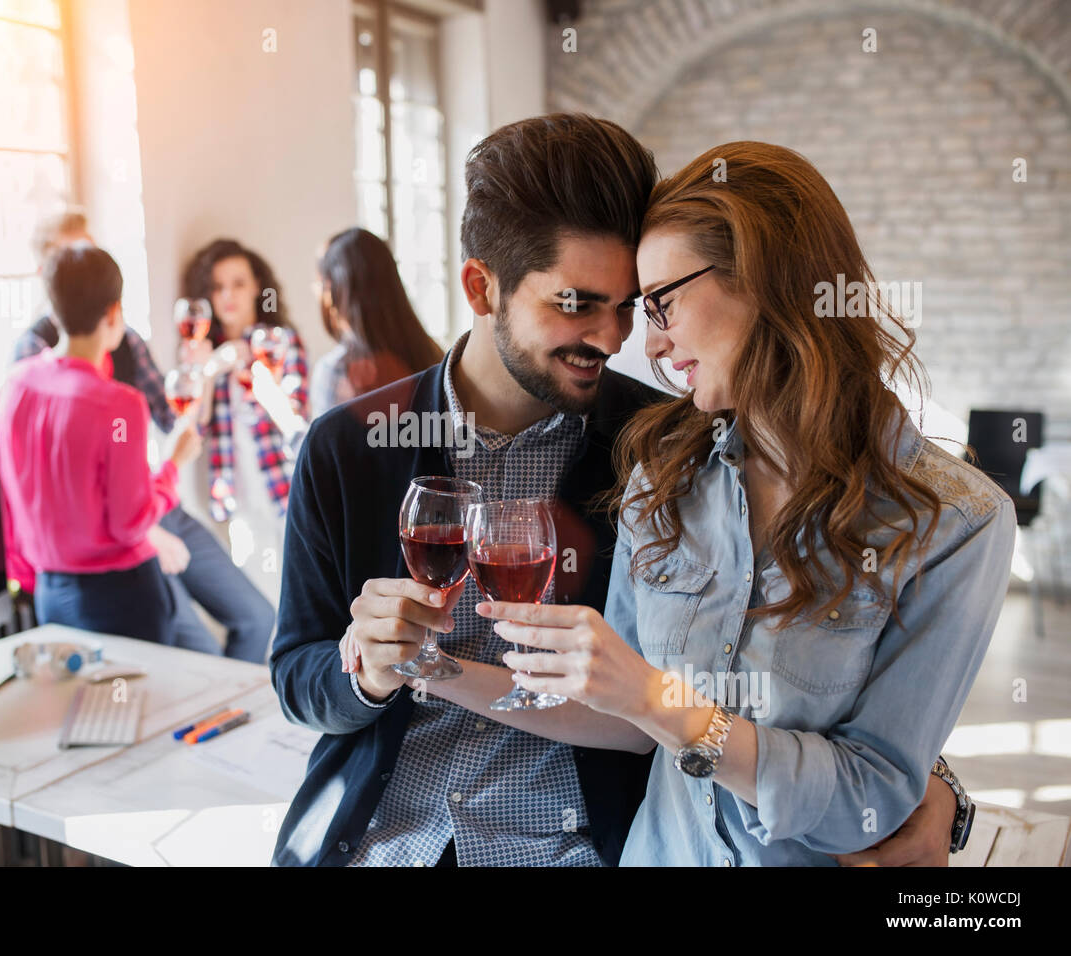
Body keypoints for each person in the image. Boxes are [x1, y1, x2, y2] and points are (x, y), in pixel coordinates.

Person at [274, 114, 959, 866]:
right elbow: (296, 676)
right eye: (576, 304)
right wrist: (364, 675)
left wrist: (934, 784)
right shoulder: (348, 447)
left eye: (629, 304)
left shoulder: (667, 443)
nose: (611, 337)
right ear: (481, 285)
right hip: (379, 836)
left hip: (569, 842)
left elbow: (767, 658)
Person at [445, 141, 1016, 865]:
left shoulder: (957, 522)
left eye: (661, 304)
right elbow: (619, 710)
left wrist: (664, 703)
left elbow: (870, 800)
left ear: (765, 275)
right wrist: (431, 669)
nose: (647, 343)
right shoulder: (662, 474)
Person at [11, 211, 276, 663]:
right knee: (196, 666)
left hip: (111, 542)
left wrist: (200, 371)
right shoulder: (111, 401)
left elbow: (181, 418)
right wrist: (170, 466)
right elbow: (121, 517)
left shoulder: (16, 385)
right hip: (124, 554)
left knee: (255, 619)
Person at [0, 244, 202, 644]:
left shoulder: (15, 385)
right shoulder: (119, 404)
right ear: (114, 313)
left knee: (83, 707)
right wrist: (174, 463)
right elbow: (130, 523)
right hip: (120, 598)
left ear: (54, 311)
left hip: (50, 594)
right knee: (141, 706)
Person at [180, 239, 308, 593]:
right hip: (237, 499)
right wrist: (208, 370)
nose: (227, 296)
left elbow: (297, 416)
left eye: (238, 284)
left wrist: (255, 369)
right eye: (217, 287)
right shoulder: (208, 353)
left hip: (284, 488)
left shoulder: (279, 343)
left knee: (294, 592)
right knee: (259, 599)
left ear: (256, 287)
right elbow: (193, 427)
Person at [308, 227, 444, 419]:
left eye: (319, 282)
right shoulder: (434, 354)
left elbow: (318, 448)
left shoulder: (335, 372)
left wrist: (285, 418)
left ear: (331, 290)